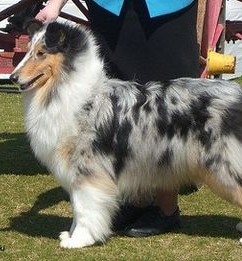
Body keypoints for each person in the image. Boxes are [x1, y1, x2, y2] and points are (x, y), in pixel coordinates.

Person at [35, 0, 199, 237]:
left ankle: (166, 208)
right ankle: (137, 201)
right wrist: (54, 4)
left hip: (167, 8)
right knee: (120, 110)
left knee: (166, 107)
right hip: (112, 8)